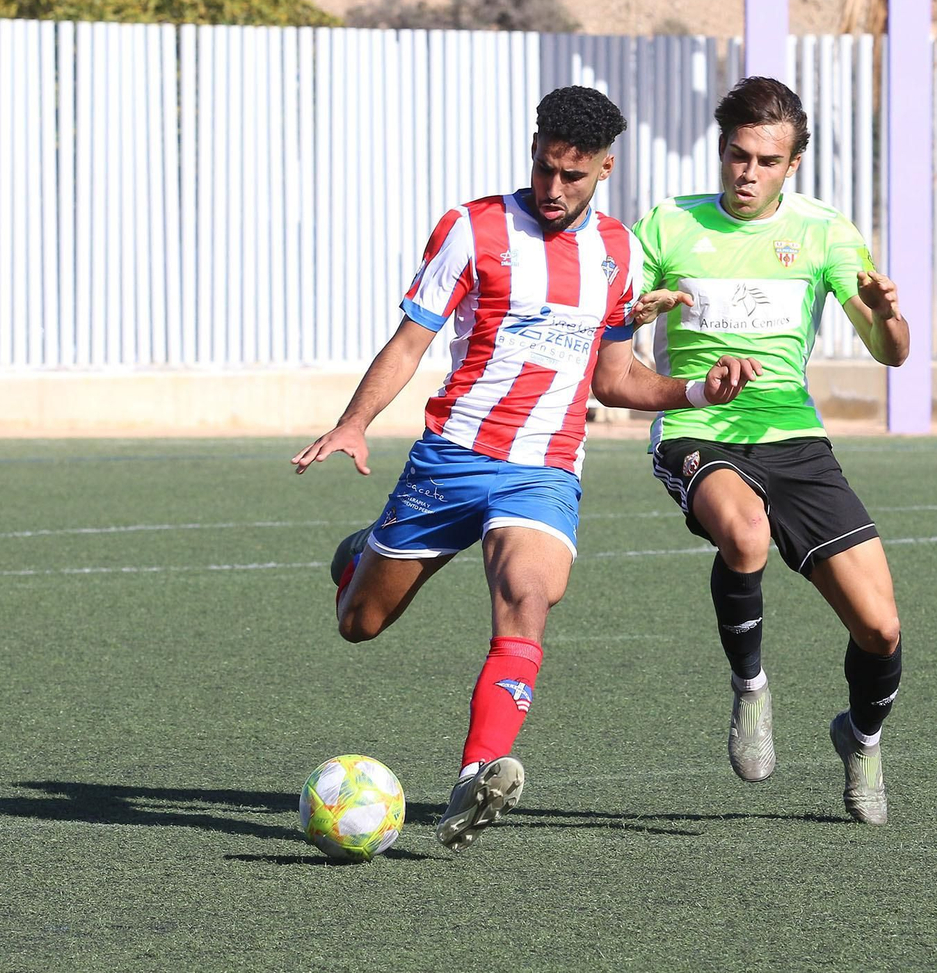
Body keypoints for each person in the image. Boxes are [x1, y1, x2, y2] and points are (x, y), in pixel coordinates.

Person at [291, 86, 760, 854]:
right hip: (452, 456)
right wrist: (353, 421)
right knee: (360, 623)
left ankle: (477, 776)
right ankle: (359, 558)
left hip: (543, 467)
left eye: (573, 176)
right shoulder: (472, 228)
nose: (553, 188)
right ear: (535, 149)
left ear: (607, 167)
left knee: (528, 595)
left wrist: (697, 390)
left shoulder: (616, 252)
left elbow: (615, 379)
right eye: (545, 168)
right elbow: (410, 341)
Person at [629, 76, 910, 825]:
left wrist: (888, 317)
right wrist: (634, 312)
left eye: (766, 160)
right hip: (700, 428)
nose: (747, 172)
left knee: (881, 629)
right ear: (721, 151)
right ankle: (750, 688)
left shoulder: (825, 232)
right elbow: (613, 337)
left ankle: (861, 735)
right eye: (737, 155)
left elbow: (891, 352)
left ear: (793, 166)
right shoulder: (666, 224)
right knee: (745, 533)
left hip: (793, 437)